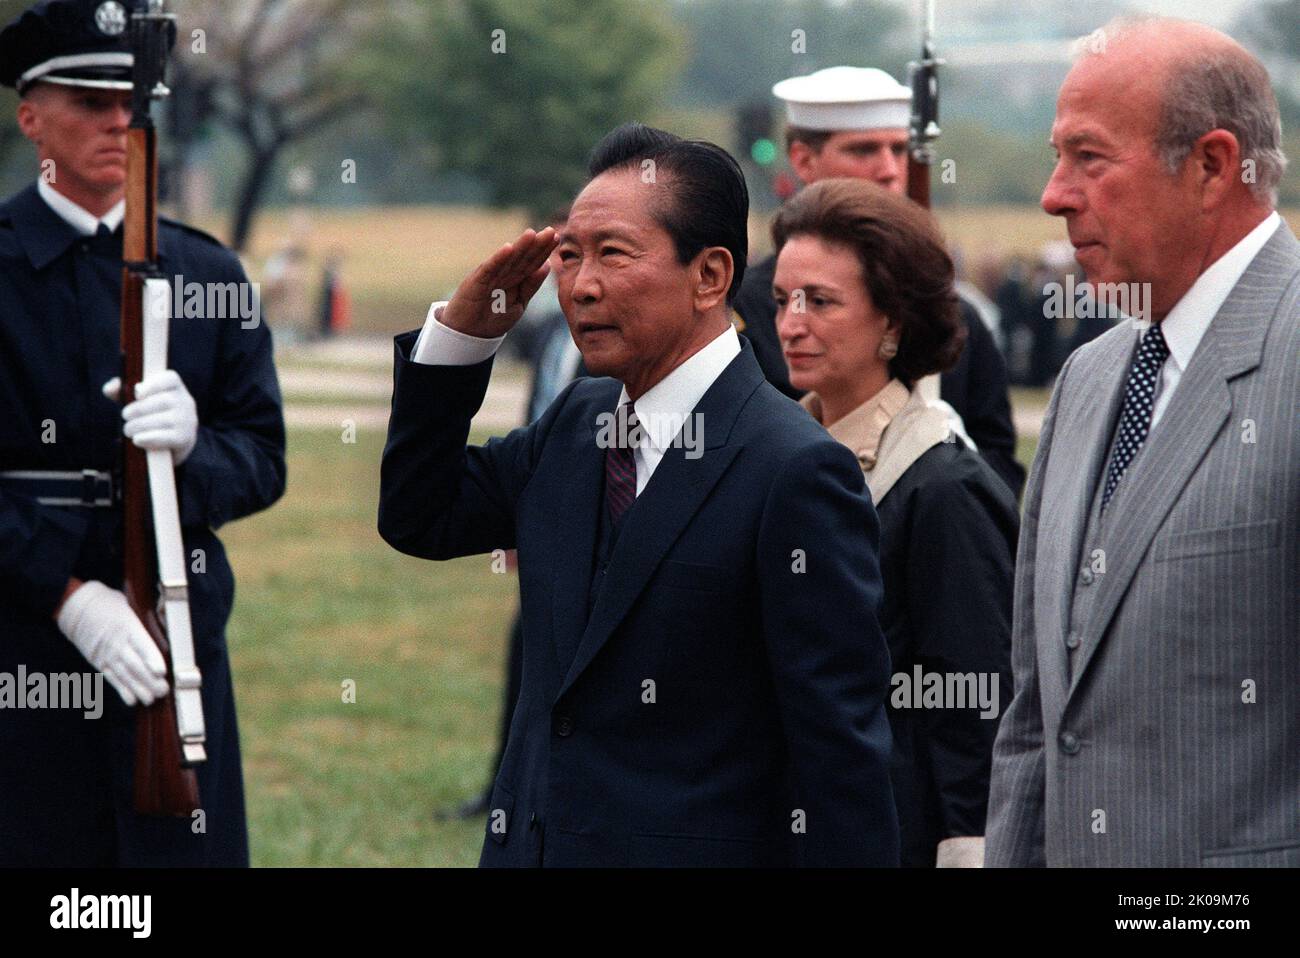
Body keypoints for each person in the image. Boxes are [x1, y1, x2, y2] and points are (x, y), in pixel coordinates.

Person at [379, 123, 899, 867]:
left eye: (613, 254)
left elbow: (838, 754)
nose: (581, 284)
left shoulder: (792, 469)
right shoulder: (576, 424)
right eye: (568, 255)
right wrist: (459, 345)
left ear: (710, 276)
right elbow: (419, 516)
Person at [986, 15, 1299, 867]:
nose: (1053, 194)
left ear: (1211, 166)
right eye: (1057, 156)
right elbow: (1036, 722)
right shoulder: (1089, 380)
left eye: (1089, 158)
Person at [0, 0, 285, 866]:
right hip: (21, 638)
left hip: (175, 633)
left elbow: (263, 456)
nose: (117, 121)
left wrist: (198, 448)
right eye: (89, 101)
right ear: (31, 117)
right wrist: (65, 592)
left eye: (131, 101)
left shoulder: (205, 272)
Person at [772, 178, 1016, 867]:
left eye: (820, 301)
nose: (791, 323)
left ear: (894, 322)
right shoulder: (782, 454)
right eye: (783, 300)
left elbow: (976, 701)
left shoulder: (944, 487)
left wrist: (969, 852)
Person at [733, 66, 1025, 500]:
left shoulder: (952, 312)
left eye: (900, 149)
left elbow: (997, 462)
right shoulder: (740, 311)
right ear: (803, 160)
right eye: (864, 149)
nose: (889, 170)